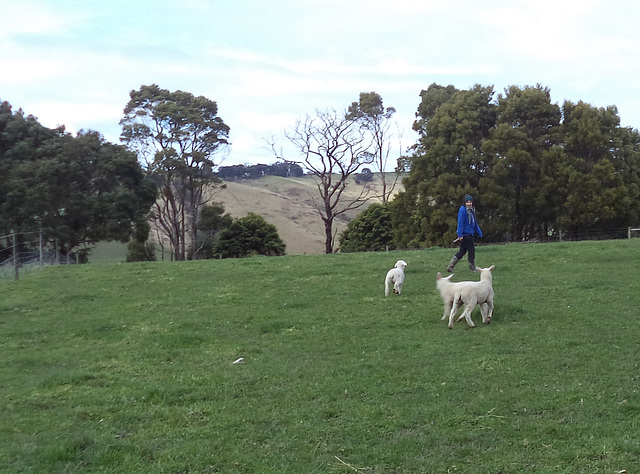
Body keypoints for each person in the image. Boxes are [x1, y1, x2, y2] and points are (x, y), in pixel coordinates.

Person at [447, 194, 483, 272]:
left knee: (462, 251)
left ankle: (451, 265)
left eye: (470, 202)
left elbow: (474, 222)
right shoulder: (463, 210)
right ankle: (472, 267)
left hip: (470, 233)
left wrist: (479, 231)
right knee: (471, 250)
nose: (469, 204)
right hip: (466, 234)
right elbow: (460, 223)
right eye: (467, 202)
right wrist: (460, 234)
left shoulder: (472, 210)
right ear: (464, 202)